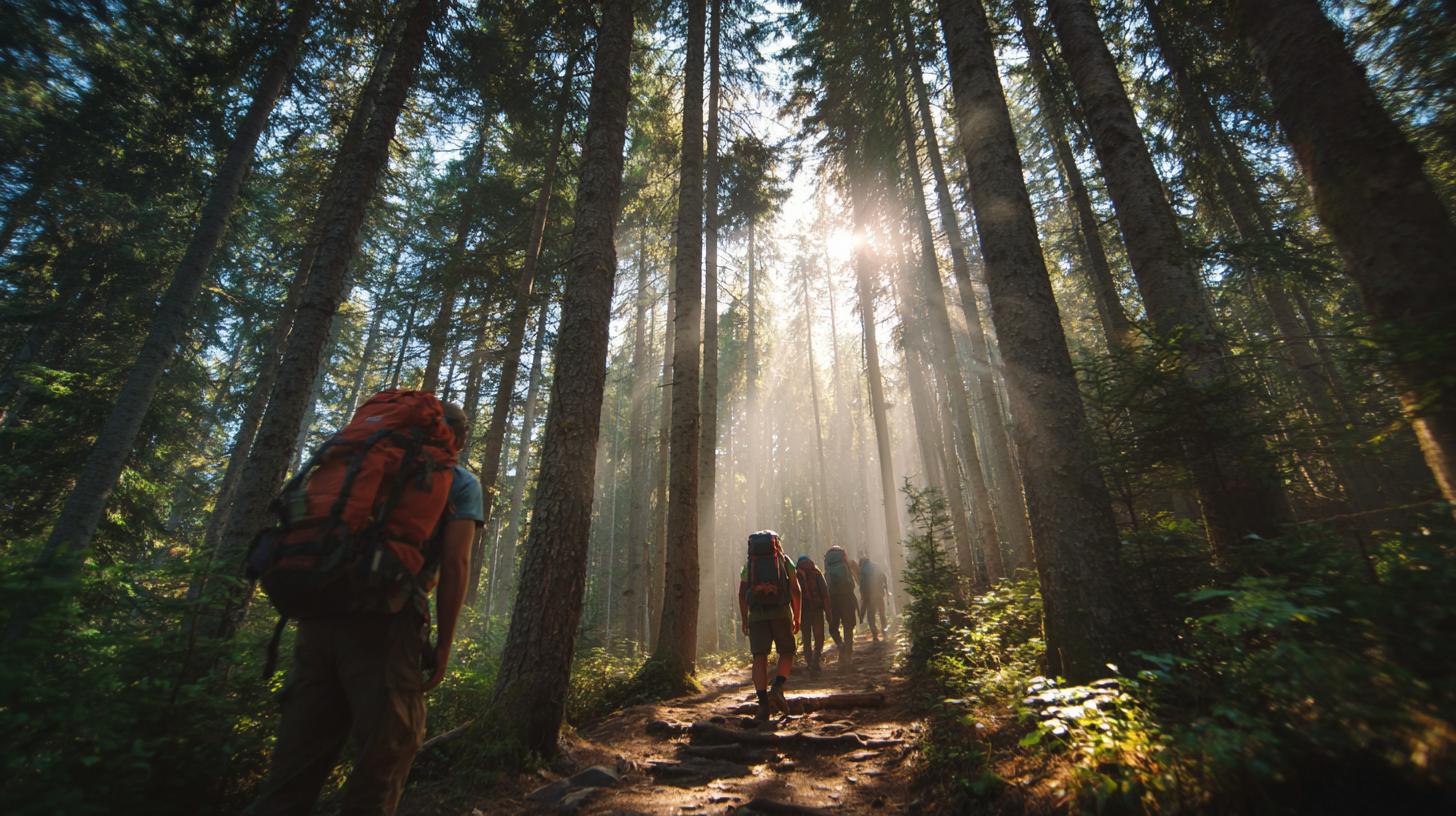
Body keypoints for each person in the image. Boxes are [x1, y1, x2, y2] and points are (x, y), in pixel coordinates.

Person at [246, 402, 484, 816]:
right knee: (385, 758)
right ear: (458, 439)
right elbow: (457, 564)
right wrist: (444, 644)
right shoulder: (457, 481)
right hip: (385, 624)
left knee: (292, 770)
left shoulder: (360, 462)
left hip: (317, 616)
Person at [738, 530, 801, 725]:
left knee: (759, 657)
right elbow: (795, 590)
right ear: (776, 544)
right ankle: (778, 687)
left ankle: (763, 704)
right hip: (781, 613)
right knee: (787, 651)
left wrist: (744, 619)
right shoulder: (784, 561)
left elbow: (742, 594)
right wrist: (797, 616)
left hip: (756, 616)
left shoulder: (750, 564)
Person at [822, 544, 858, 670]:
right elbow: (857, 579)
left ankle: (840, 645)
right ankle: (848, 655)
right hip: (847, 597)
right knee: (848, 626)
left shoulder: (828, 563)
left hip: (833, 599)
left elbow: (825, 581)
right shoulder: (846, 560)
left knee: (833, 627)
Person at [795, 555, 829, 674]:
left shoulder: (796, 575)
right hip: (817, 609)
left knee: (806, 637)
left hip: (803, 611)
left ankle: (809, 663)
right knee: (819, 637)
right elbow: (825, 594)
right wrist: (828, 613)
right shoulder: (816, 573)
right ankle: (815, 660)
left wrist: (794, 616)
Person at [858, 554, 889, 641]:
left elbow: (862, 585)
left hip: (869, 596)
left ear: (861, 563)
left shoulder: (863, 570)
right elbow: (884, 577)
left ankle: (875, 634)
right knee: (882, 614)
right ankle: (884, 631)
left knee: (871, 616)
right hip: (879, 594)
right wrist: (885, 590)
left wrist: (863, 595)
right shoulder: (876, 566)